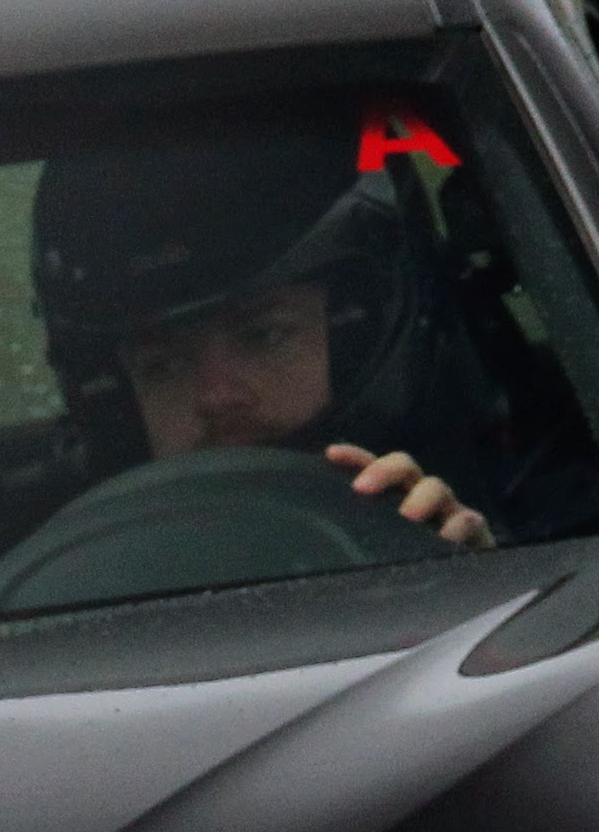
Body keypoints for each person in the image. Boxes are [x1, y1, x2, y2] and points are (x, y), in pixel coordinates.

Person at [28, 109, 526, 548]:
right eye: (164, 366)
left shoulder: (531, 506)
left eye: (263, 337)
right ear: (115, 400)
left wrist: (462, 566)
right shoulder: (58, 575)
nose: (216, 397)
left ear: (360, 332)